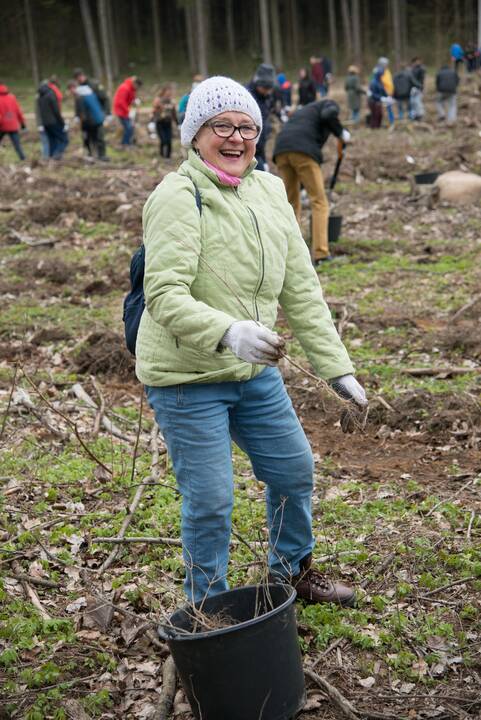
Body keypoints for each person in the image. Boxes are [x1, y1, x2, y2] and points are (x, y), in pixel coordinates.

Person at [136, 75, 367, 607]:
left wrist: (337, 368)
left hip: (253, 373)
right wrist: (229, 332)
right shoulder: (177, 195)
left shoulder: (266, 189)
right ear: (196, 133)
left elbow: (300, 286)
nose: (236, 138)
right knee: (212, 499)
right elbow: (164, 294)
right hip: (186, 377)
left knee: (293, 469)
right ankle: (208, 605)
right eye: (222, 126)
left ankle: (290, 572)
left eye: (247, 127)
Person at [273, 99, 351, 265]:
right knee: (319, 202)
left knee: (291, 204)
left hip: (281, 151)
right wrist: (341, 132)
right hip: (302, 152)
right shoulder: (329, 104)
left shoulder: (304, 113)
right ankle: (321, 254)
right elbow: (329, 114)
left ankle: (291, 255)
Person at [247, 63, 276, 171]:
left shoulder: (265, 98)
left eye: (269, 88)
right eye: (265, 88)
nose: (267, 91)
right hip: (250, 151)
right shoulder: (248, 98)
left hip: (260, 149)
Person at [68, 80, 107, 161]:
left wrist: (79, 122)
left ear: (73, 88)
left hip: (89, 122)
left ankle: (91, 154)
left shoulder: (80, 96)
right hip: (98, 119)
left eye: (70, 89)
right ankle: (101, 155)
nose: (70, 92)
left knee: (87, 138)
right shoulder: (89, 92)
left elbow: (81, 112)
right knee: (98, 138)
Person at [36, 81, 68, 159]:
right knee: (64, 139)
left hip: (45, 123)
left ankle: (51, 157)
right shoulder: (51, 94)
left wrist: (40, 124)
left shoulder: (40, 96)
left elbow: (39, 111)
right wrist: (63, 123)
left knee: (52, 141)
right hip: (53, 122)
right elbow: (56, 111)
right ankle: (56, 155)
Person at [113, 76, 143, 146]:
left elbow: (131, 98)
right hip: (121, 111)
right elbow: (121, 102)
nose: (137, 89)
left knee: (130, 127)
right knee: (129, 127)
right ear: (135, 84)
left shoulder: (131, 89)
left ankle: (128, 142)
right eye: (137, 87)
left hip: (125, 110)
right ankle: (125, 143)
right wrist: (128, 111)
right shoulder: (125, 88)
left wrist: (135, 101)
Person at [0, 84, 26, 161]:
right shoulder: (12, 98)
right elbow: (18, 111)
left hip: (2, 125)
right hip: (13, 125)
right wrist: (22, 123)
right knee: (17, 144)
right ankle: (23, 158)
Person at [152, 84, 177, 158]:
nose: (169, 92)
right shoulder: (158, 99)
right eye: (168, 91)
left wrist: (177, 122)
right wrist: (158, 107)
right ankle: (162, 155)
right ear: (164, 91)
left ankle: (168, 157)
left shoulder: (171, 101)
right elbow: (154, 110)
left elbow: (173, 112)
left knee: (169, 140)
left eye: (170, 91)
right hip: (160, 122)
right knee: (163, 140)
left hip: (168, 122)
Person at [376, 57, 394, 125]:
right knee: (380, 109)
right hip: (382, 93)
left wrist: (392, 91)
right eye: (385, 64)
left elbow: (390, 82)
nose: (386, 65)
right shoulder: (378, 71)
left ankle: (391, 121)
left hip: (389, 93)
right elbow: (380, 83)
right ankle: (381, 122)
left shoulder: (387, 71)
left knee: (389, 108)